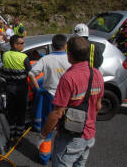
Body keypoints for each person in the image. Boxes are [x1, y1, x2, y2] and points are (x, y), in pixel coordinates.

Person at [39, 36, 104, 167]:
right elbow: (98, 106)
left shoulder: (69, 78)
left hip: (70, 138)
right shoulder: (97, 74)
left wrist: (43, 134)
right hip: (89, 136)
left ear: (69, 55)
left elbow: (57, 113)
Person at [28, 34, 71, 165]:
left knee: (47, 128)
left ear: (52, 45)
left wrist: (38, 89)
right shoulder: (70, 60)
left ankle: (44, 156)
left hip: (49, 96)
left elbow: (31, 73)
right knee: (65, 128)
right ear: (65, 46)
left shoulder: (46, 59)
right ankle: (62, 156)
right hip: (66, 98)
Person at [1, 35, 36, 140]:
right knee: (21, 112)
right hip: (21, 89)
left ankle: (11, 133)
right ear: (15, 45)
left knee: (11, 111)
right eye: (22, 43)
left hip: (9, 88)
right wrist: (35, 87)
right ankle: (19, 134)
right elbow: (31, 74)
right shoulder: (24, 57)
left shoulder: (5, 55)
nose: (24, 45)